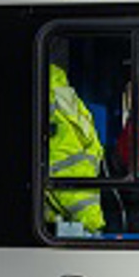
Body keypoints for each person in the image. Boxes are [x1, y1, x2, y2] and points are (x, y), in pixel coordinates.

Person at [45, 63, 105, 234]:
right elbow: (66, 163)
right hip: (58, 223)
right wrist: (92, 222)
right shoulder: (54, 94)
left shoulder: (54, 92)